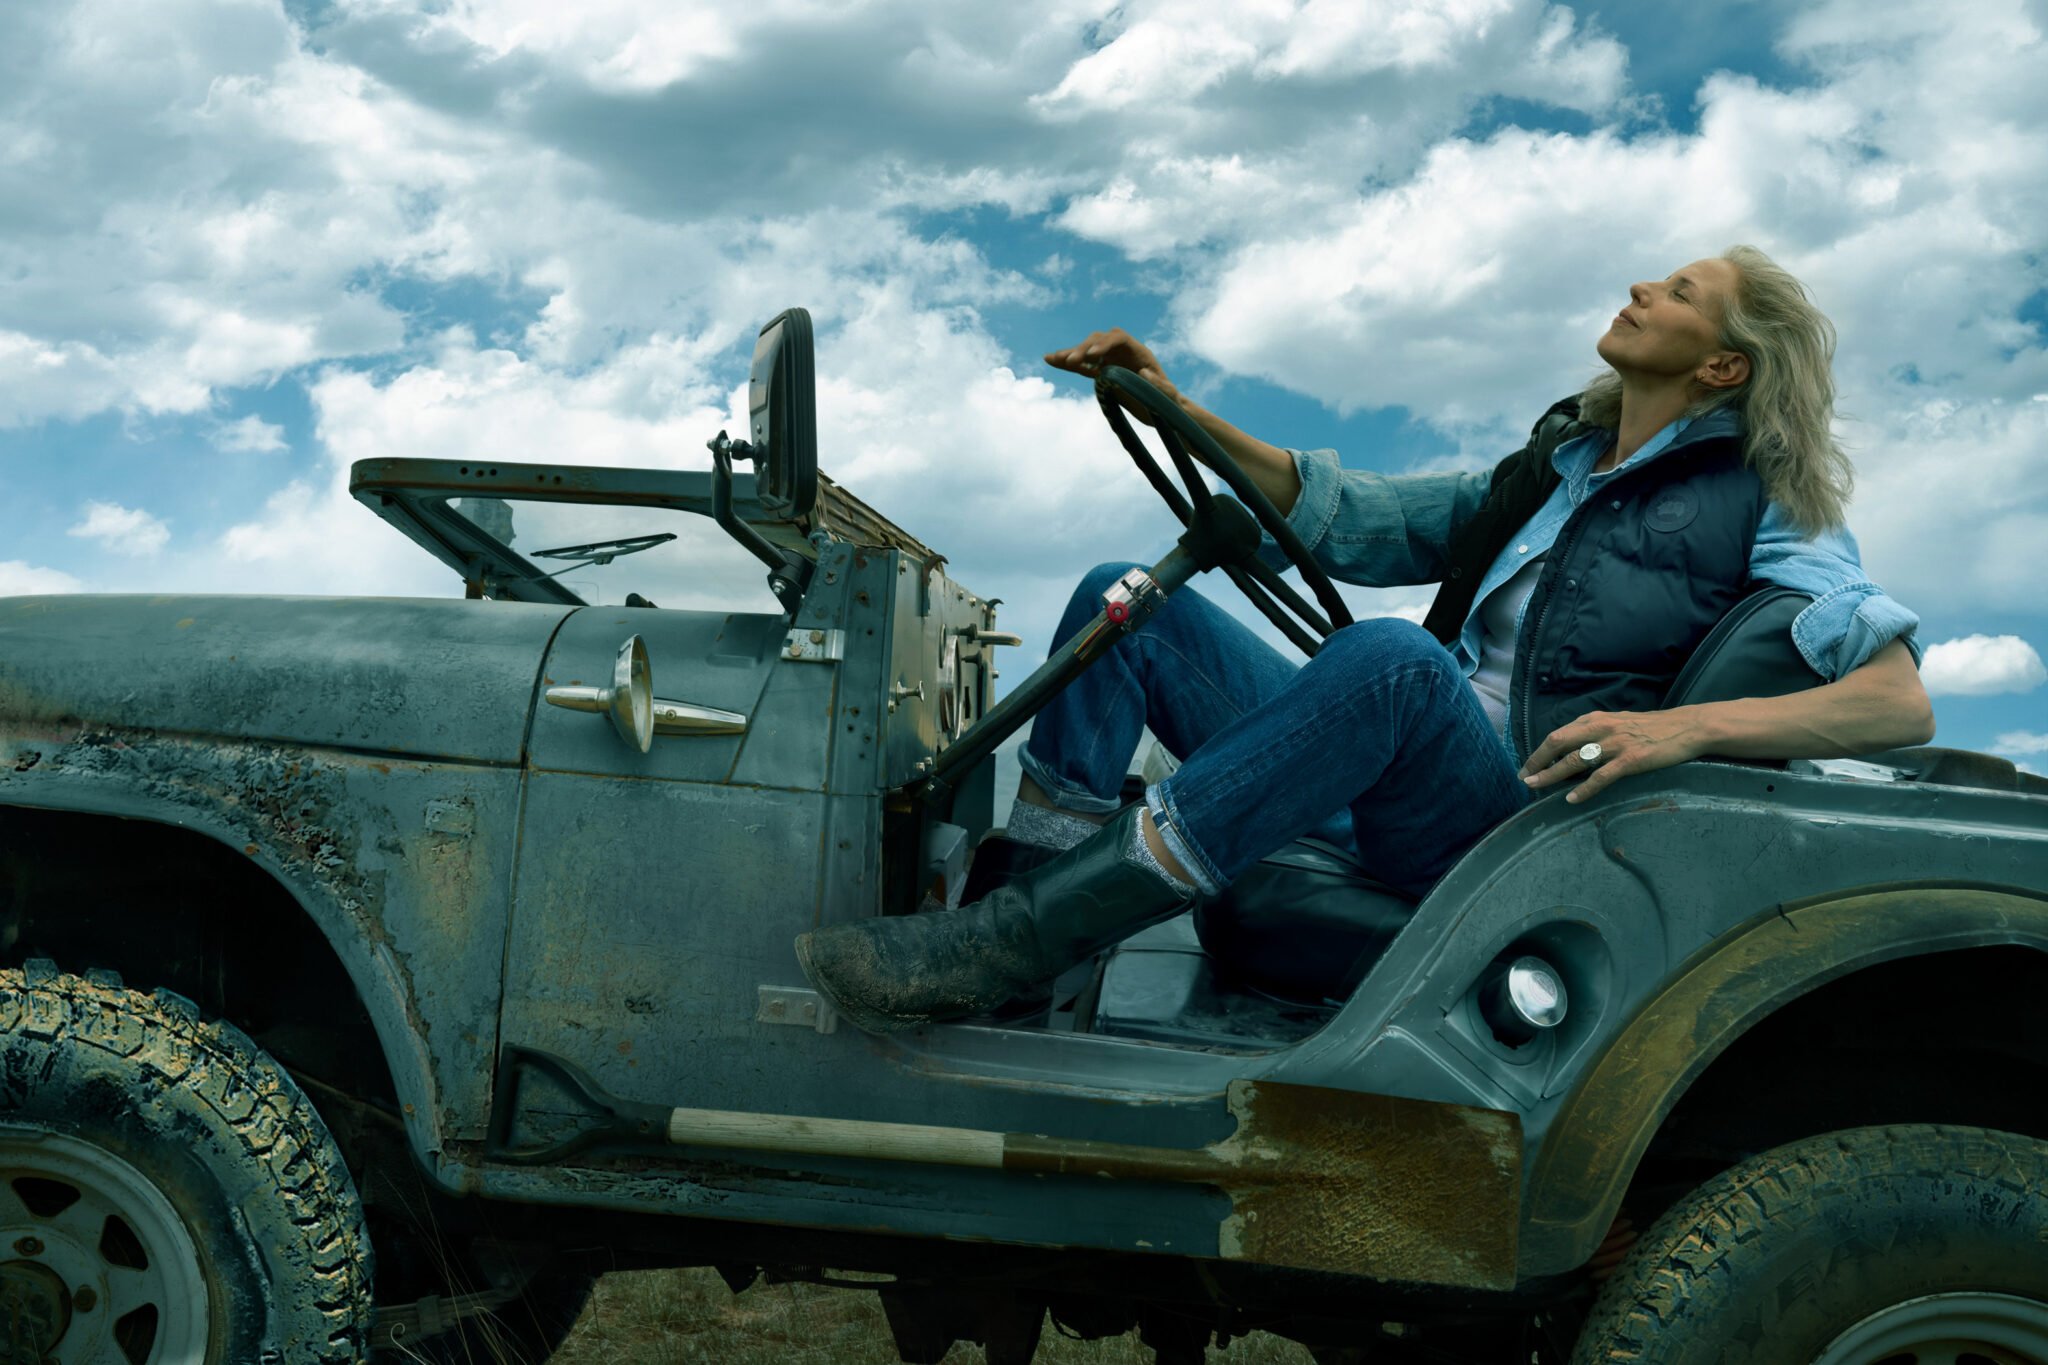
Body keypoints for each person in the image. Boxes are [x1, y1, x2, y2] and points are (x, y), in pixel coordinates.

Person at [796, 245, 1936, 1035]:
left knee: (1391, 666)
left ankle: (1008, 940)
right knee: (1126, 602)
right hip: (1399, 781)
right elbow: (1353, 517)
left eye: (1678, 291)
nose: (1640, 287)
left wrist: (1676, 729)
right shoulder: (1550, 470)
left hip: (1516, 827)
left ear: (1721, 365)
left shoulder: (1763, 499)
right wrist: (1177, 409)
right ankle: (1013, 945)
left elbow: (1894, 702)